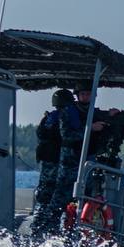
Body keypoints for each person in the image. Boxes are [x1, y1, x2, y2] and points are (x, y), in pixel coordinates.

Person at [31, 88, 82, 238]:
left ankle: (38, 228)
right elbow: (67, 135)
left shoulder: (48, 118)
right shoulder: (67, 114)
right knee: (58, 198)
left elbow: (40, 135)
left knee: (44, 197)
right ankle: (50, 228)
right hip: (59, 164)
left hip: (47, 164)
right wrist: (87, 132)